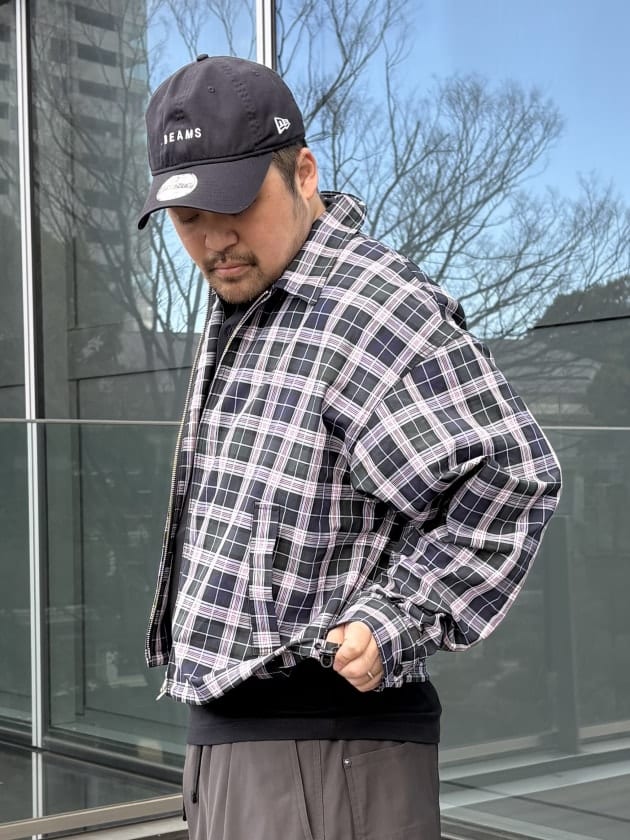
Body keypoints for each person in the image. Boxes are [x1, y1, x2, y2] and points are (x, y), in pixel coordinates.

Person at [138, 55, 562, 840]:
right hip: (248, 740)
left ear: (304, 173)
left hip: (322, 750)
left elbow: (514, 478)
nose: (215, 240)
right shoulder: (257, 294)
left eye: (236, 205)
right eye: (189, 217)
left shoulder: (370, 308)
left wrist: (396, 618)